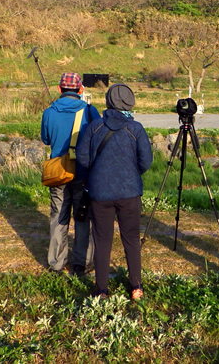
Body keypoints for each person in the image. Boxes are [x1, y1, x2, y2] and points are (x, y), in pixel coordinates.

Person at [76, 84, 153, 301]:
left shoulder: (94, 127)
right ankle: (136, 286)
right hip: (129, 192)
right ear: (130, 103)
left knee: (102, 240)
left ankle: (101, 289)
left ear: (108, 101)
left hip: (100, 193)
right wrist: (131, 173)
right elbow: (146, 161)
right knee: (131, 239)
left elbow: (82, 159)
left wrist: (96, 171)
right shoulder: (135, 128)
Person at [41, 72, 99, 275]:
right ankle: (81, 263)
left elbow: (46, 139)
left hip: (58, 173)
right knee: (82, 216)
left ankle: (56, 263)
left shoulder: (49, 112)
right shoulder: (90, 111)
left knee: (58, 216)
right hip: (83, 172)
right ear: (80, 90)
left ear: (59, 89)